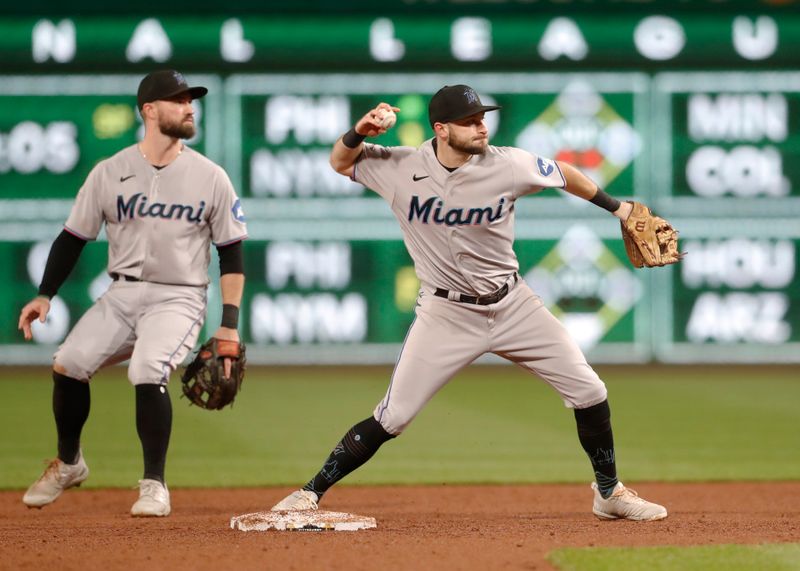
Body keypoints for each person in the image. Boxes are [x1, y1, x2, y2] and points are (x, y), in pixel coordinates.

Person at [271, 85, 667, 521]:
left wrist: (618, 210)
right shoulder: (400, 166)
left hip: (513, 304)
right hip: (446, 313)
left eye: (483, 117)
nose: (482, 126)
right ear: (441, 129)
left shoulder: (509, 163)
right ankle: (310, 492)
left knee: (590, 390)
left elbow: (565, 173)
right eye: (470, 120)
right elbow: (340, 162)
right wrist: (357, 132)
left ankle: (609, 493)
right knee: (392, 416)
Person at [18, 70, 248, 517]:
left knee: (147, 368)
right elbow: (73, 237)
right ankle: (69, 464)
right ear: (149, 110)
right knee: (68, 365)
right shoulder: (110, 171)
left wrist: (229, 324)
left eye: (190, 100)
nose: (189, 107)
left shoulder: (210, 176)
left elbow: (233, 255)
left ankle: (154, 485)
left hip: (179, 297)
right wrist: (45, 294)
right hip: (120, 295)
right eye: (178, 100)